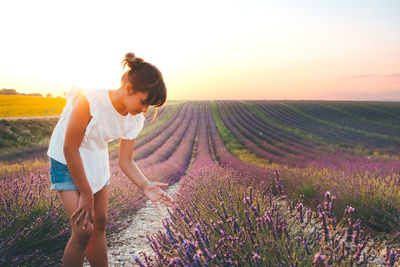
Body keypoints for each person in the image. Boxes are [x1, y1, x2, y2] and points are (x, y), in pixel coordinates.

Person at [47, 52, 174, 267]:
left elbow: (126, 160)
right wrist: (86, 193)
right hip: (67, 158)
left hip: (95, 157)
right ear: (127, 89)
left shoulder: (135, 119)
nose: (144, 110)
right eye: (144, 102)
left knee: (100, 223)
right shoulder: (90, 101)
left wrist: (145, 185)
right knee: (83, 229)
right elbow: (70, 148)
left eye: (149, 106)